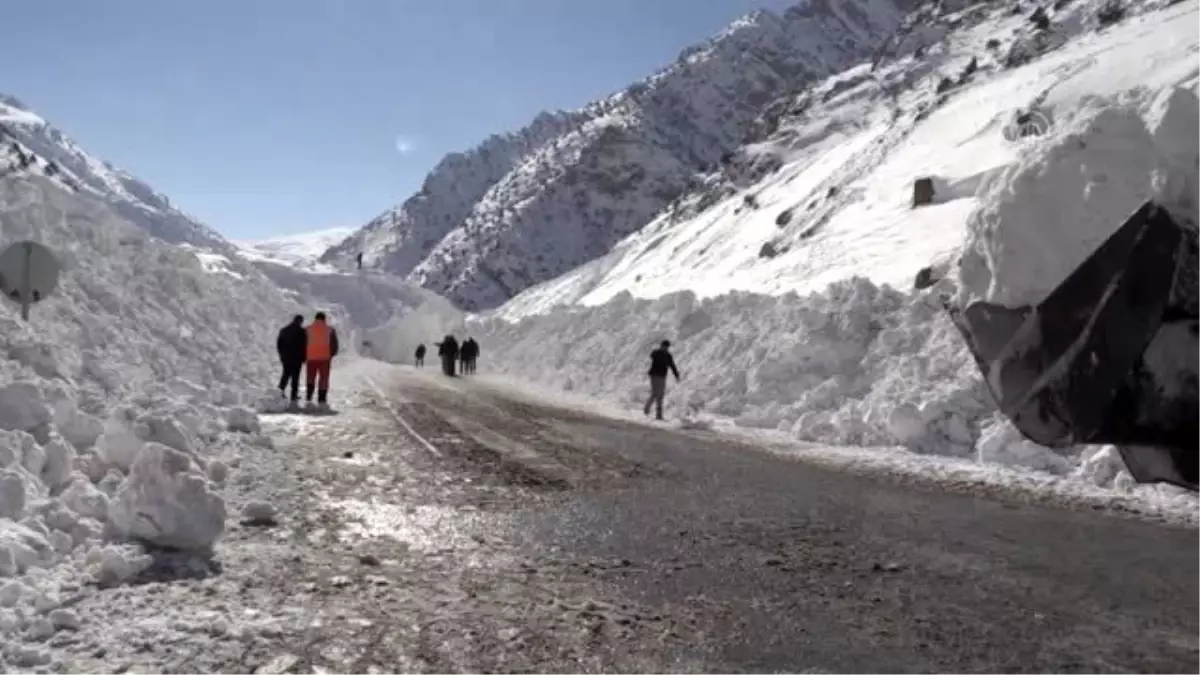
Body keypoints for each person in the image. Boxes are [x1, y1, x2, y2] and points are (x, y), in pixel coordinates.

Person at [305, 312, 340, 406]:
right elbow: (334, 345)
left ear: (315, 319)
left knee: (310, 377)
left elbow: (302, 343)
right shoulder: (330, 330)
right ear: (324, 319)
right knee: (323, 379)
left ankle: (308, 397)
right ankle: (322, 399)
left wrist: (304, 355)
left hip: (311, 358)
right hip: (325, 358)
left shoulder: (307, 329)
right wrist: (331, 355)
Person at [644, 340, 681, 421]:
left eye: (667, 347)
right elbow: (652, 356)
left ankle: (657, 414)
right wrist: (660, 352)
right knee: (655, 394)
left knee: (660, 395)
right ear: (661, 346)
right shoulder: (656, 352)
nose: (666, 348)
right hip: (654, 375)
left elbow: (672, 366)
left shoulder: (668, 356)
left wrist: (676, 375)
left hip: (662, 377)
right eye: (665, 346)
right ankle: (647, 410)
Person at [276, 314, 307, 408]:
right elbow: (305, 346)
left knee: (285, 376)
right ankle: (293, 397)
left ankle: (279, 393)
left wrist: (282, 356)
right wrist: (304, 358)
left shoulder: (284, 330)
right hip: (297, 359)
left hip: (286, 358)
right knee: (295, 378)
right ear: (300, 321)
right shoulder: (302, 332)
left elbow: (279, 345)